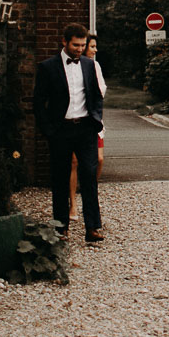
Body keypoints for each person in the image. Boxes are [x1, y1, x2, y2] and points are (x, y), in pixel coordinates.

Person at [33, 21, 105, 243]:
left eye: (83, 45)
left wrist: (96, 118)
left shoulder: (89, 65)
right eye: (76, 45)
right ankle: (61, 227)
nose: (80, 49)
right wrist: (48, 130)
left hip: (85, 128)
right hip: (60, 130)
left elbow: (96, 96)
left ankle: (92, 227)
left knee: (89, 178)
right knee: (60, 179)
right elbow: (38, 102)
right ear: (64, 42)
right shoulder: (47, 67)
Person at [68, 32, 107, 224]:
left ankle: (88, 196)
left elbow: (101, 91)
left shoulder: (94, 66)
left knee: (98, 160)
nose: (92, 50)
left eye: (90, 46)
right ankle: (73, 203)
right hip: (72, 123)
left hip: (91, 122)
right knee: (74, 162)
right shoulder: (70, 65)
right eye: (91, 46)